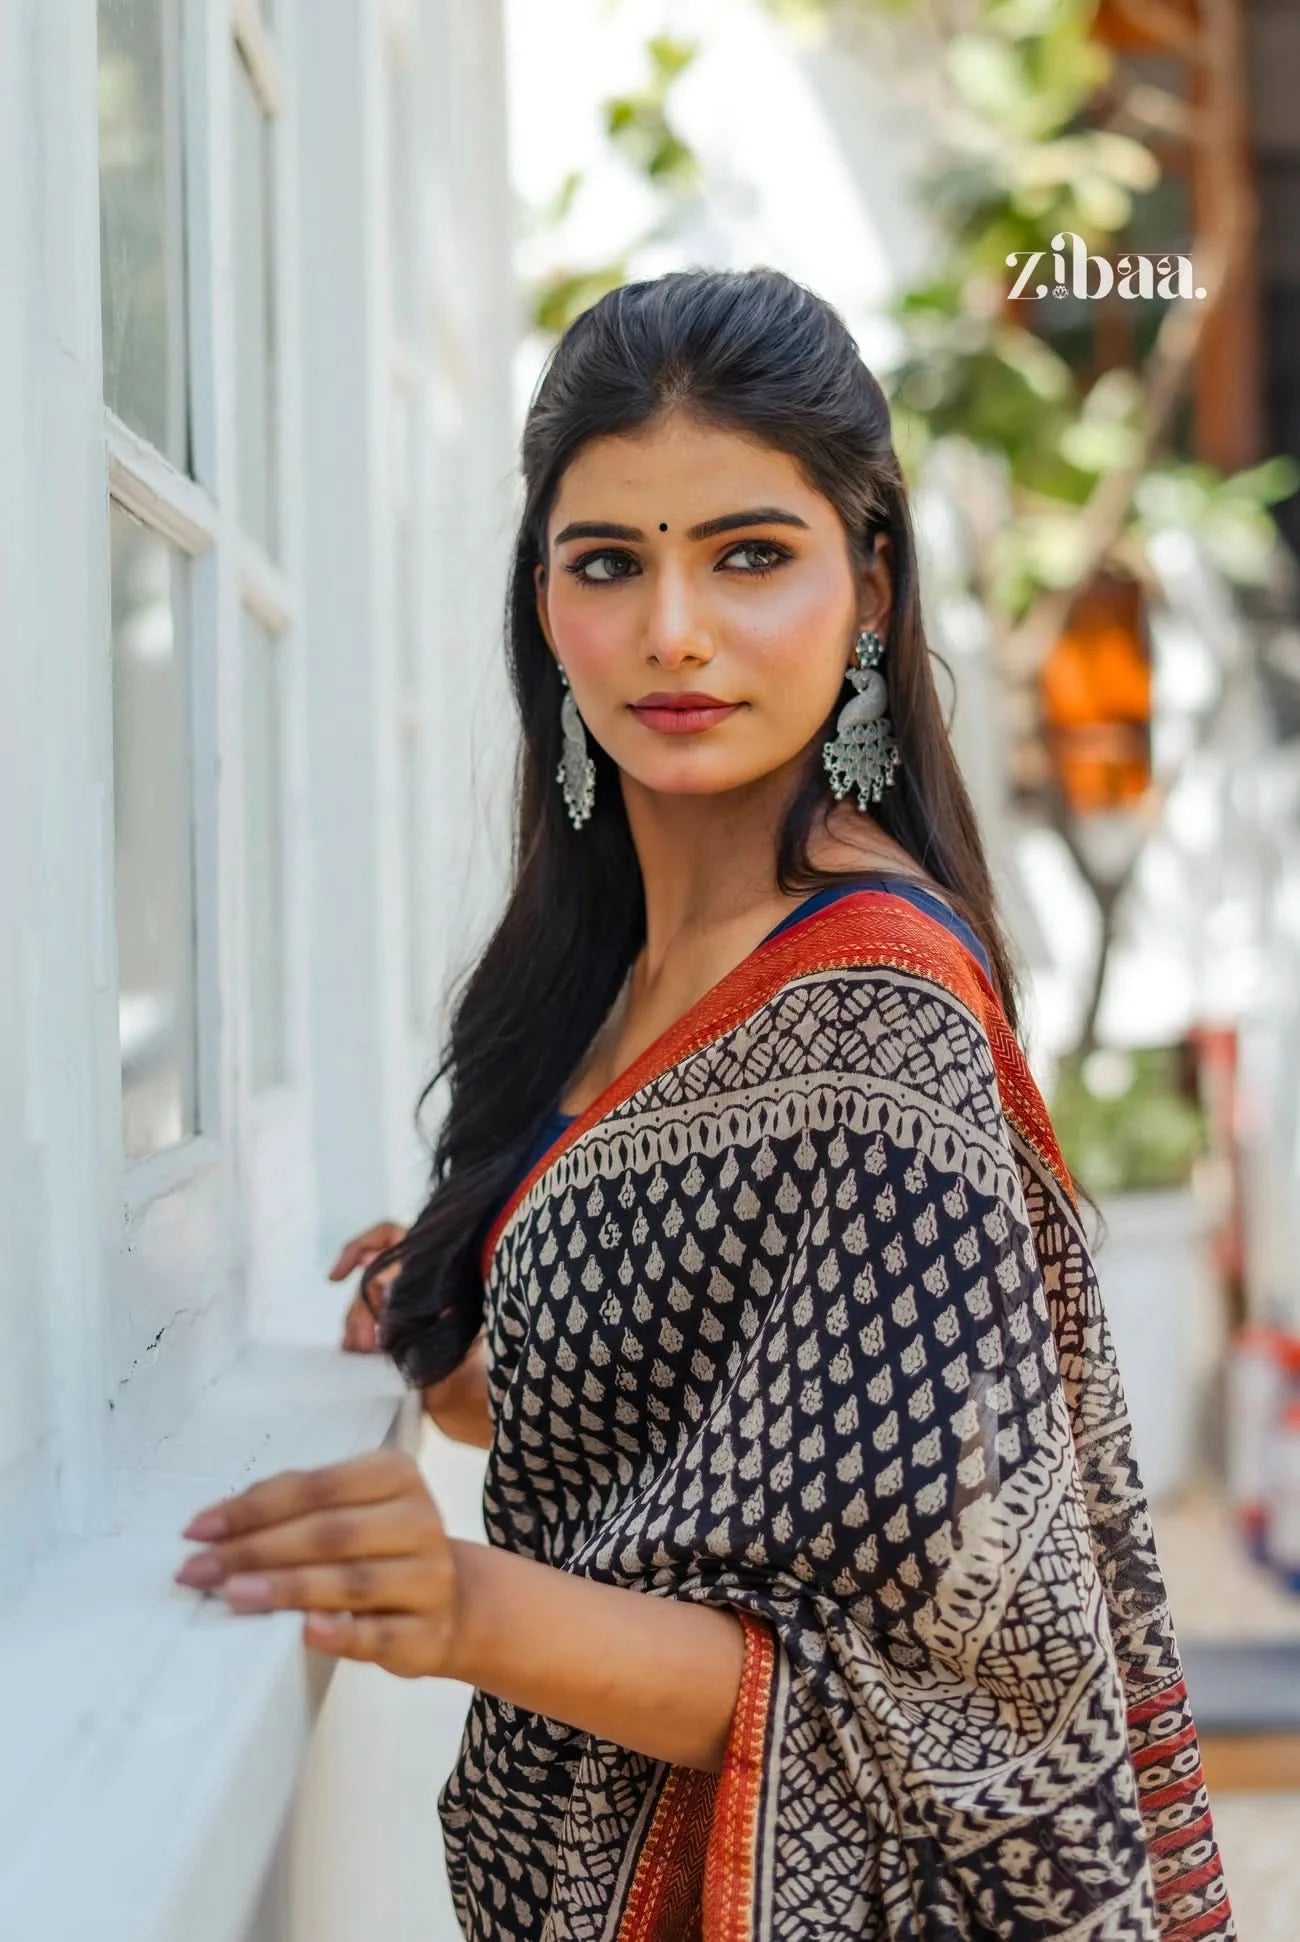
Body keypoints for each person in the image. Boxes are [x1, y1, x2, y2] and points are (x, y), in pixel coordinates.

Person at [176, 268, 1234, 1939]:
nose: (674, 629)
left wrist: (458, 1600)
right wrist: (479, 1285)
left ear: (868, 587)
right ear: (542, 602)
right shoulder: (597, 974)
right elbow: (692, 1444)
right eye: (610, 562)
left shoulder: (871, 1016)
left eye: (751, 555)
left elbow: (905, 1698)